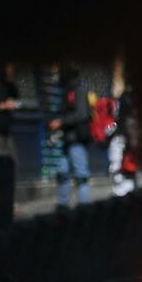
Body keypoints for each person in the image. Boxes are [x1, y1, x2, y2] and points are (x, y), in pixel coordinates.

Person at [50, 66, 92, 209]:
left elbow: (82, 114)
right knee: (63, 174)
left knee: (81, 176)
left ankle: (83, 208)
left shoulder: (78, 90)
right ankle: (63, 206)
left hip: (77, 140)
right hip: (67, 140)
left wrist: (61, 121)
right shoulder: (68, 91)